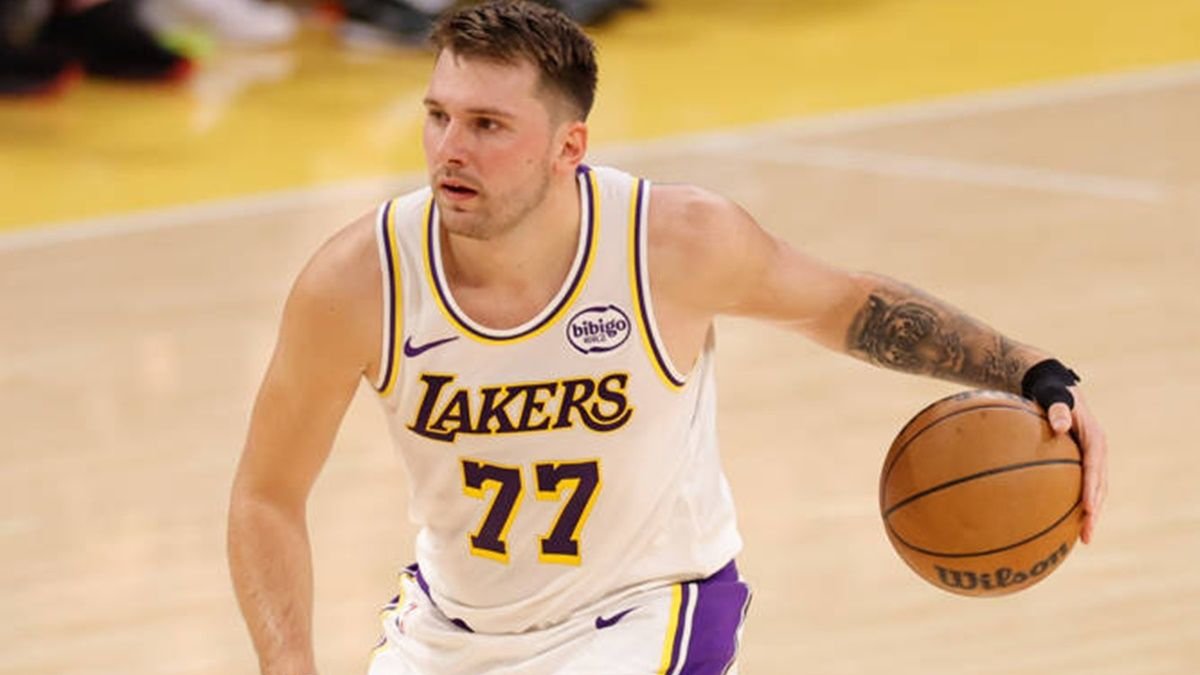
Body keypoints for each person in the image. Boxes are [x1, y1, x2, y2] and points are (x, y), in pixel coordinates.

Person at [227, 1, 1109, 673]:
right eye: (438, 115)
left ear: (569, 146)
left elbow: (847, 305)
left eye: (488, 125)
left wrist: (1034, 372)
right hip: (450, 631)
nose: (449, 148)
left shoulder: (673, 244)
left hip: (648, 613)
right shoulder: (360, 281)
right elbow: (266, 494)